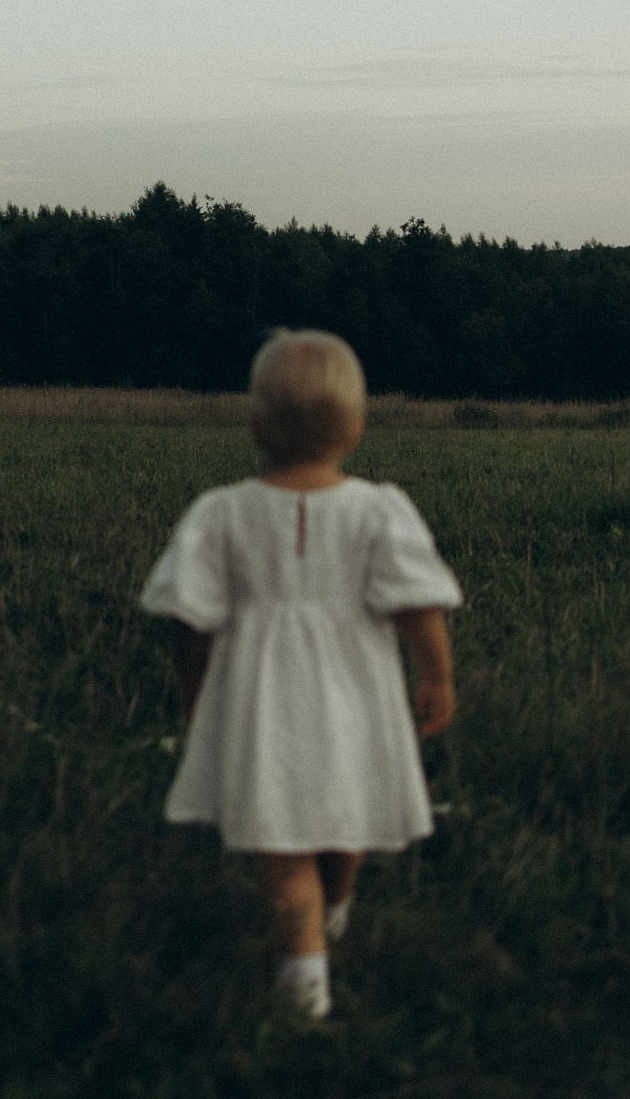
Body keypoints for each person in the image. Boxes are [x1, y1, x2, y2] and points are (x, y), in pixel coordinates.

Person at [140, 328, 462, 1020]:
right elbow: (420, 604)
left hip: (263, 710)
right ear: (356, 427)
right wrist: (437, 676)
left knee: (284, 853)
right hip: (356, 700)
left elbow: (187, 623)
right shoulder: (379, 511)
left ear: (254, 425)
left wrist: (194, 695)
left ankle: (304, 990)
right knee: (343, 820)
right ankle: (327, 927)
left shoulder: (219, 514)